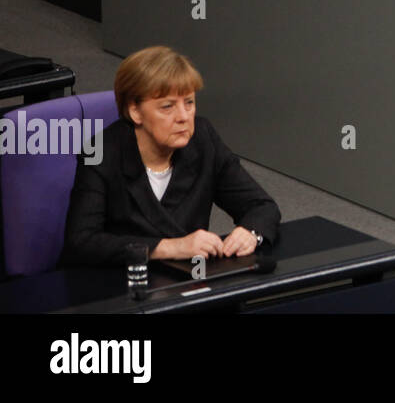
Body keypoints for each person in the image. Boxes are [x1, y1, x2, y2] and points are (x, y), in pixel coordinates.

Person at [62, 46, 280, 266]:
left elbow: (261, 206)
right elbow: (82, 243)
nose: (183, 117)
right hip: (119, 282)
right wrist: (169, 247)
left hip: (187, 279)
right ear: (135, 111)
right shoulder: (99, 152)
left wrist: (250, 233)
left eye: (189, 103)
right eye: (167, 107)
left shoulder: (203, 140)